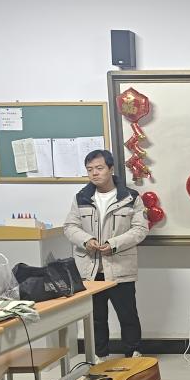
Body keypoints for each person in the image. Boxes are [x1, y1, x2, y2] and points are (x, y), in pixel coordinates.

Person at [63, 149, 148, 361]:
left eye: (99, 168)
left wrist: (114, 244)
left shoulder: (130, 197)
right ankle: (99, 356)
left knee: (128, 315)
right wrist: (86, 240)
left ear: (111, 169)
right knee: (96, 318)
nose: (94, 173)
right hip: (90, 270)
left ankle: (133, 354)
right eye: (89, 169)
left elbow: (140, 229)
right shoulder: (81, 198)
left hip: (119, 268)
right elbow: (70, 227)